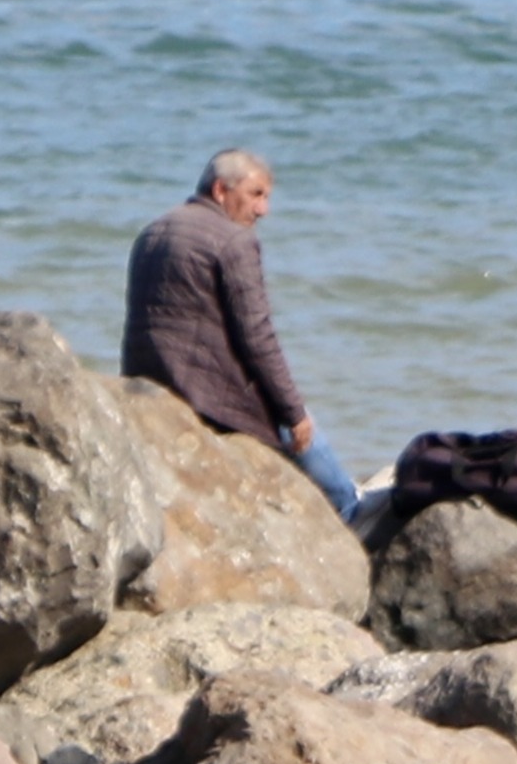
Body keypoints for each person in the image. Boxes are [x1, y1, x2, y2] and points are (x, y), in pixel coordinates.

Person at [124, 148, 365, 524]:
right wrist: (294, 413)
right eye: (256, 195)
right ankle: (354, 520)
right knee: (329, 474)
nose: (263, 210)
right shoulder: (233, 241)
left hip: (149, 386)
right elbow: (257, 337)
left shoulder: (153, 231)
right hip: (205, 397)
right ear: (221, 190)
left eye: (266, 197)